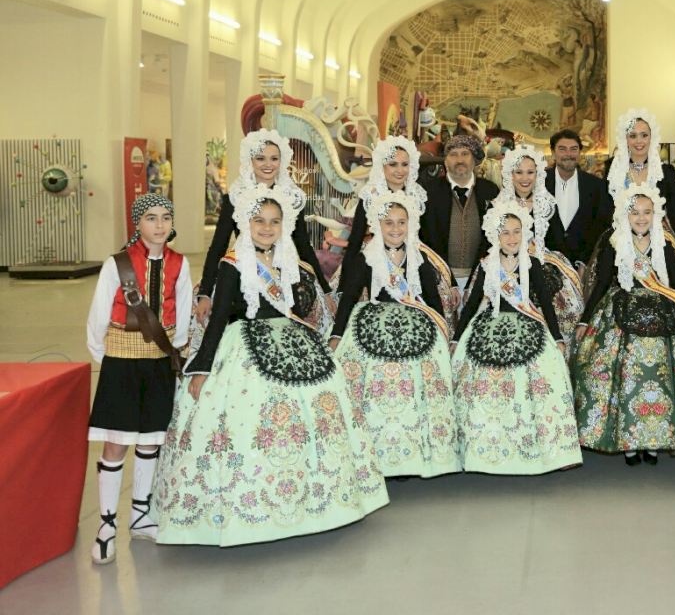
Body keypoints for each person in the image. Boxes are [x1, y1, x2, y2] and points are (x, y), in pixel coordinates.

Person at [153, 184, 388, 545]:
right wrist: (202, 367)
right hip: (244, 344)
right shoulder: (231, 264)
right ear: (245, 224)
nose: (266, 228)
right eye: (259, 221)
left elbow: (293, 305)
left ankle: (314, 499)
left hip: (291, 339)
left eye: (274, 222)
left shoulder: (287, 259)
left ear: (283, 225)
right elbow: (218, 320)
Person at [85, 194, 192, 565]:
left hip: (160, 362)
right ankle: (106, 525)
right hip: (121, 361)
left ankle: (141, 515)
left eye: (165, 217)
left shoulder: (180, 262)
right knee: (115, 444)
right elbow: (99, 315)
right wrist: (107, 355)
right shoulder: (116, 264)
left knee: (150, 441)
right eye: (151, 218)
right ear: (138, 223)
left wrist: (174, 349)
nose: (159, 225)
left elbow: (183, 312)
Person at [328, 189, 459, 478]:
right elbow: (349, 299)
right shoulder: (366, 258)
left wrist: (444, 335)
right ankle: (376, 454)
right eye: (389, 223)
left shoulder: (419, 258)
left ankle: (414, 454)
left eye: (401, 222)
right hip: (372, 323)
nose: (396, 229)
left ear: (410, 225)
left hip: (415, 323)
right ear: (378, 225)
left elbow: (433, 302)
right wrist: (337, 335)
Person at [572, 184, 675, 465]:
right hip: (620, 310)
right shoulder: (615, 243)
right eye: (635, 213)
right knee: (624, 371)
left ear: (655, 215)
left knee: (660, 374)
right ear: (624, 215)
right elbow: (602, 283)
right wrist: (585, 319)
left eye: (647, 212)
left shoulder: (664, 243)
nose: (641, 218)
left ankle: (653, 441)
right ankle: (628, 443)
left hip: (663, 313)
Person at [451, 202, 581, 474]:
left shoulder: (532, 264)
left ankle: (546, 448)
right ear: (495, 236)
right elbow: (473, 304)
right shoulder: (487, 265)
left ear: (525, 233)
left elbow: (546, 303)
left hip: (529, 324)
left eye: (516, 232)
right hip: (490, 325)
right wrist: (457, 337)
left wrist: (557, 337)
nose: (511, 238)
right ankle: (485, 449)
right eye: (505, 232)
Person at [195, 129, 330, 326]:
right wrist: (205, 293)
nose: (268, 164)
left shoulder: (291, 198)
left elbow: (304, 246)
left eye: (274, 158)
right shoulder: (235, 198)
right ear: (250, 161)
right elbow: (218, 247)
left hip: (284, 278)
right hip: (246, 278)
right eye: (260, 158)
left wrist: (325, 290)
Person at [493, 144, 585, 333]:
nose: (525, 178)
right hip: (506, 268)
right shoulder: (498, 205)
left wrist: (567, 268)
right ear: (510, 175)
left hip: (543, 267)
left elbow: (558, 241)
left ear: (538, 174)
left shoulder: (547, 204)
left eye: (530, 172)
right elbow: (488, 243)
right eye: (519, 172)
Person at [605, 108, 675, 266]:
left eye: (644, 135)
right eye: (633, 135)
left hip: (659, 245)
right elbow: (605, 213)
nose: (639, 141)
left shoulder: (666, 172)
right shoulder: (613, 171)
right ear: (625, 139)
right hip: (619, 244)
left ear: (652, 137)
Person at [419, 134, 499, 291]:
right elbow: (425, 239)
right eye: (453, 154)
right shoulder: (428, 192)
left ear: (474, 159)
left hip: (481, 280)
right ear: (445, 160)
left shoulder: (490, 191)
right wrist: (446, 279)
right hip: (438, 278)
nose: (459, 160)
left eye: (465, 154)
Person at [341, 135, 429, 266]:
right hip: (376, 262)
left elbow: (426, 237)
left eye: (405, 164)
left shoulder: (417, 195)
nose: (400, 170)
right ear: (381, 166)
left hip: (413, 261)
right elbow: (356, 238)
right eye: (393, 164)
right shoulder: (371, 196)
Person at [544, 128, 612, 265]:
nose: (568, 154)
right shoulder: (539, 183)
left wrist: (584, 261)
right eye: (562, 149)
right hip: (545, 264)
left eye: (573, 149)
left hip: (582, 265)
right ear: (553, 152)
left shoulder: (597, 186)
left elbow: (600, 225)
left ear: (580, 152)